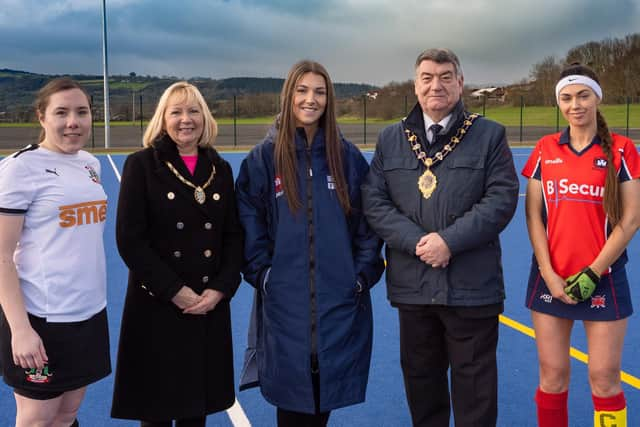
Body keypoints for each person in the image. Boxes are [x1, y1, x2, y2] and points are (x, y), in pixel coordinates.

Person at [361, 48, 519, 427]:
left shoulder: (489, 135)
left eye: (446, 76)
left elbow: (501, 199)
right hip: (414, 288)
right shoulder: (390, 139)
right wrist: (418, 242)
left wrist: (448, 241)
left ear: (460, 83)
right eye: (428, 77)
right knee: (423, 388)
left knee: (476, 394)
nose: (437, 85)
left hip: (471, 287)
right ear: (415, 86)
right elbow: (374, 201)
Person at [235, 60, 384, 427]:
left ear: (329, 99)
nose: (310, 99)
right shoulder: (263, 159)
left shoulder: (346, 158)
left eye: (319, 91)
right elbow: (249, 225)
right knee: (292, 407)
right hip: (286, 308)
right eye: (302, 90)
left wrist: (361, 276)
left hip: (336, 305)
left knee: (321, 406)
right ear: (289, 96)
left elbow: (368, 226)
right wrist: (265, 276)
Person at [110, 82, 244, 427]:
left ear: (205, 117)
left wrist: (221, 289)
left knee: (194, 412)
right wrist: (175, 291)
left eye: (193, 111)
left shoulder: (220, 168)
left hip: (206, 306)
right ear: (162, 119)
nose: (186, 119)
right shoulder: (141, 165)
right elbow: (130, 240)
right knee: (156, 413)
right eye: (176, 112)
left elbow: (232, 236)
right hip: (157, 307)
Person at [522, 63, 640, 427]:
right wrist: (548, 273)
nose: (575, 105)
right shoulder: (544, 149)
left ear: (597, 98)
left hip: (602, 277)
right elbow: (533, 217)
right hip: (551, 278)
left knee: (604, 379)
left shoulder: (621, 150)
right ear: (559, 103)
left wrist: (593, 270)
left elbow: (631, 218)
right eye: (567, 98)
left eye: (583, 95)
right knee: (552, 375)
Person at [0, 77, 110, 427]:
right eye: (61, 112)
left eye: (81, 112)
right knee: (37, 418)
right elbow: (1, 256)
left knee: (68, 413)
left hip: (89, 312)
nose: (73, 122)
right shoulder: (20, 168)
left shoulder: (90, 164)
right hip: (42, 318)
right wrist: (21, 329)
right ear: (42, 117)